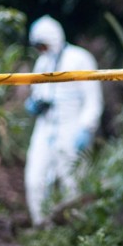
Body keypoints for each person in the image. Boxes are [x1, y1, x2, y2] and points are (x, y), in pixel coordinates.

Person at [24, 15, 104, 227]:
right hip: (45, 126)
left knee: (72, 180)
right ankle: (42, 225)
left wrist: (86, 128)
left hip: (72, 126)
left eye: (43, 44)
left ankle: (76, 228)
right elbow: (37, 92)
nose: (41, 49)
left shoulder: (80, 59)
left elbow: (93, 99)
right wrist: (35, 104)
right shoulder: (42, 62)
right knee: (35, 177)